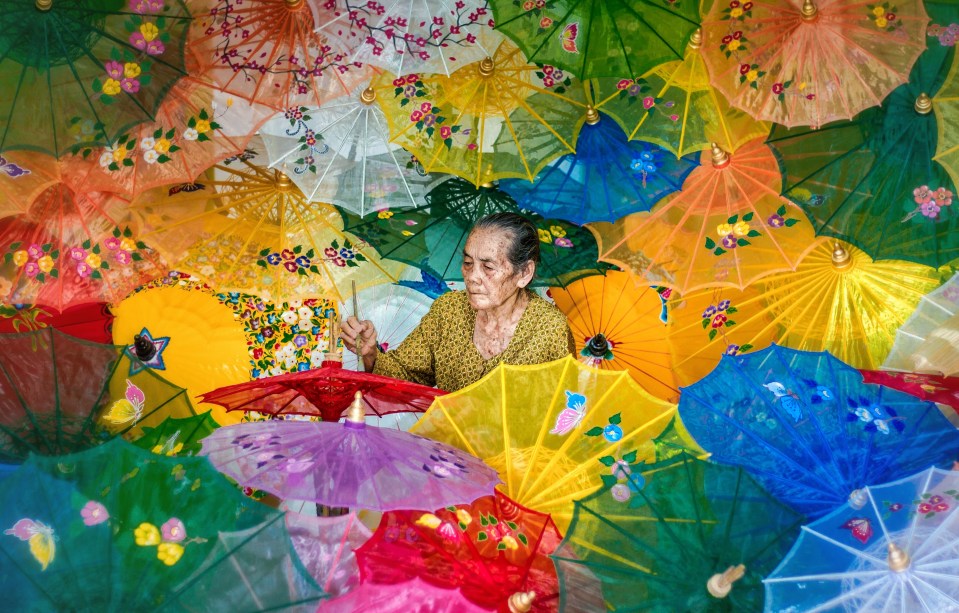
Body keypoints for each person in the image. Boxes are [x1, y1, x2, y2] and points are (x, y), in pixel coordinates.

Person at [340, 212, 576, 392]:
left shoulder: (549, 329)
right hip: (448, 451)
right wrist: (370, 352)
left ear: (524, 273)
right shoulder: (448, 310)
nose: (472, 276)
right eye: (467, 263)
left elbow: (563, 412)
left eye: (488, 266)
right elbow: (403, 375)